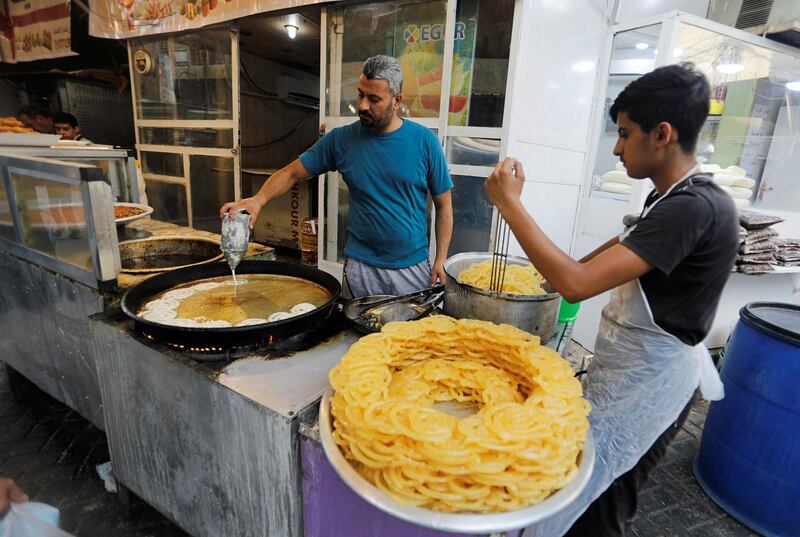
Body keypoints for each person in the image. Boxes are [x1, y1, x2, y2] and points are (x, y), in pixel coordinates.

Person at [485, 64, 738, 537]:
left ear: (661, 134)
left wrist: (511, 206)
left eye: (624, 134)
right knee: (579, 491)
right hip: (629, 373)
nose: (617, 148)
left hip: (651, 388)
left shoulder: (693, 207)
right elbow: (603, 257)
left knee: (599, 510)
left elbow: (577, 283)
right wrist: (540, 281)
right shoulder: (667, 198)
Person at [220, 55, 453, 297]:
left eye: (374, 99)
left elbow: (444, 206)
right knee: (356, 332)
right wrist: (258, 199)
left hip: (411, 267)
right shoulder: (341, 140)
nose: (362, 105)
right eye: (361, 94)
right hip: (361, 268)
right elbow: (291, 173)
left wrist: (440, 259)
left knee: (410, 334)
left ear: (397, 101)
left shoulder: (425, 142)